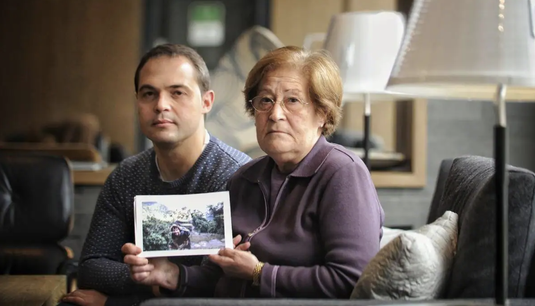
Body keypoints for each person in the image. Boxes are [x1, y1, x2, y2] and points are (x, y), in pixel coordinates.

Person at [122, 46, 385, 299]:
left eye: (292, 100)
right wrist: (170, 274)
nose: (275, 114)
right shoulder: (244, 177)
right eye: (265, 101)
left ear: (323, 114)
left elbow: (351, 280)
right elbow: (219, 275)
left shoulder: (342, 172)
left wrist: (259, 273)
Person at [60, 44, 251, 306]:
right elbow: (91, 268)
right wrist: (142, 273)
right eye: (149, 93)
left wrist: (117, 302)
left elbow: (223, 283)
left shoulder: (237, 174)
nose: (161, 105)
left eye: (177, 93)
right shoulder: (127, 175)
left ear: (207, 101)